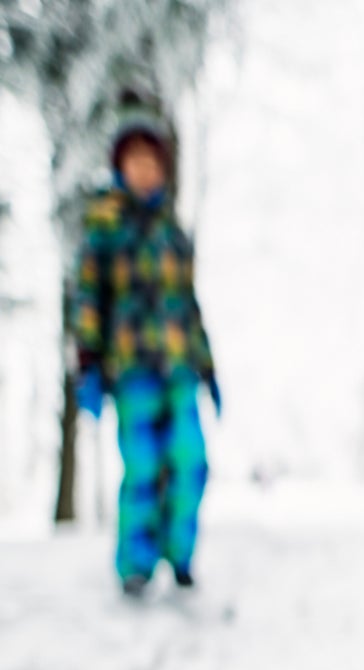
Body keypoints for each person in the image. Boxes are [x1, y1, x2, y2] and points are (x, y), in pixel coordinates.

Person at [72, 90, 220, 597]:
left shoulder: (173, 234)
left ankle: (179, 554)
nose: (144, 170)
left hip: (178, 368)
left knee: (190, 460)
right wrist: (87, 360)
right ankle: (136, 562)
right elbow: (89, 294)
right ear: (120, 167)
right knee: (141, 467)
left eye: (152, 161)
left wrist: (209, 366)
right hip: (132, 369)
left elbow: (189, 305)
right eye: (134, 161)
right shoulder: (105, 227)